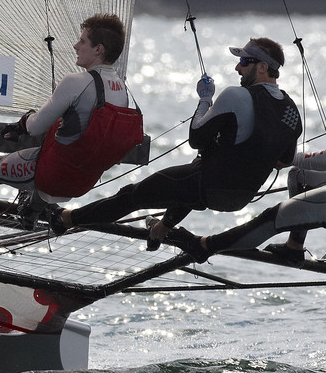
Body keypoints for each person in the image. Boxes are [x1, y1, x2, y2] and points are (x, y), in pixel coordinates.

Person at [174, 47, 326, 263]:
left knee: (272, 218)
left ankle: (204, 246)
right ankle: (294, 248)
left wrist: (289, 157)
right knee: (300, 176)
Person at [53, 37, 302, 239]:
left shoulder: (235, 96)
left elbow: (195, 138)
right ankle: (161, 229)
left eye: (245, 62)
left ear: (262, 67)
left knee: (132, 195)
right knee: (189, 182)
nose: (237, 67)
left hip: (209, 185)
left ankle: (65, 219)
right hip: (240, 198)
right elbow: (285, 160)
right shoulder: (292, 111)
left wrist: (205, 99)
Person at [0, 13, 140, 215]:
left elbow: (35, 127)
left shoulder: (76, 82)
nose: (75, 46)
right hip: (82, 183)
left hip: (53, 175)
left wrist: (22, 123)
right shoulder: (124, 92)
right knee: (53, 145)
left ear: (98, 49)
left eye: (82, 41)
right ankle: (31, 213)